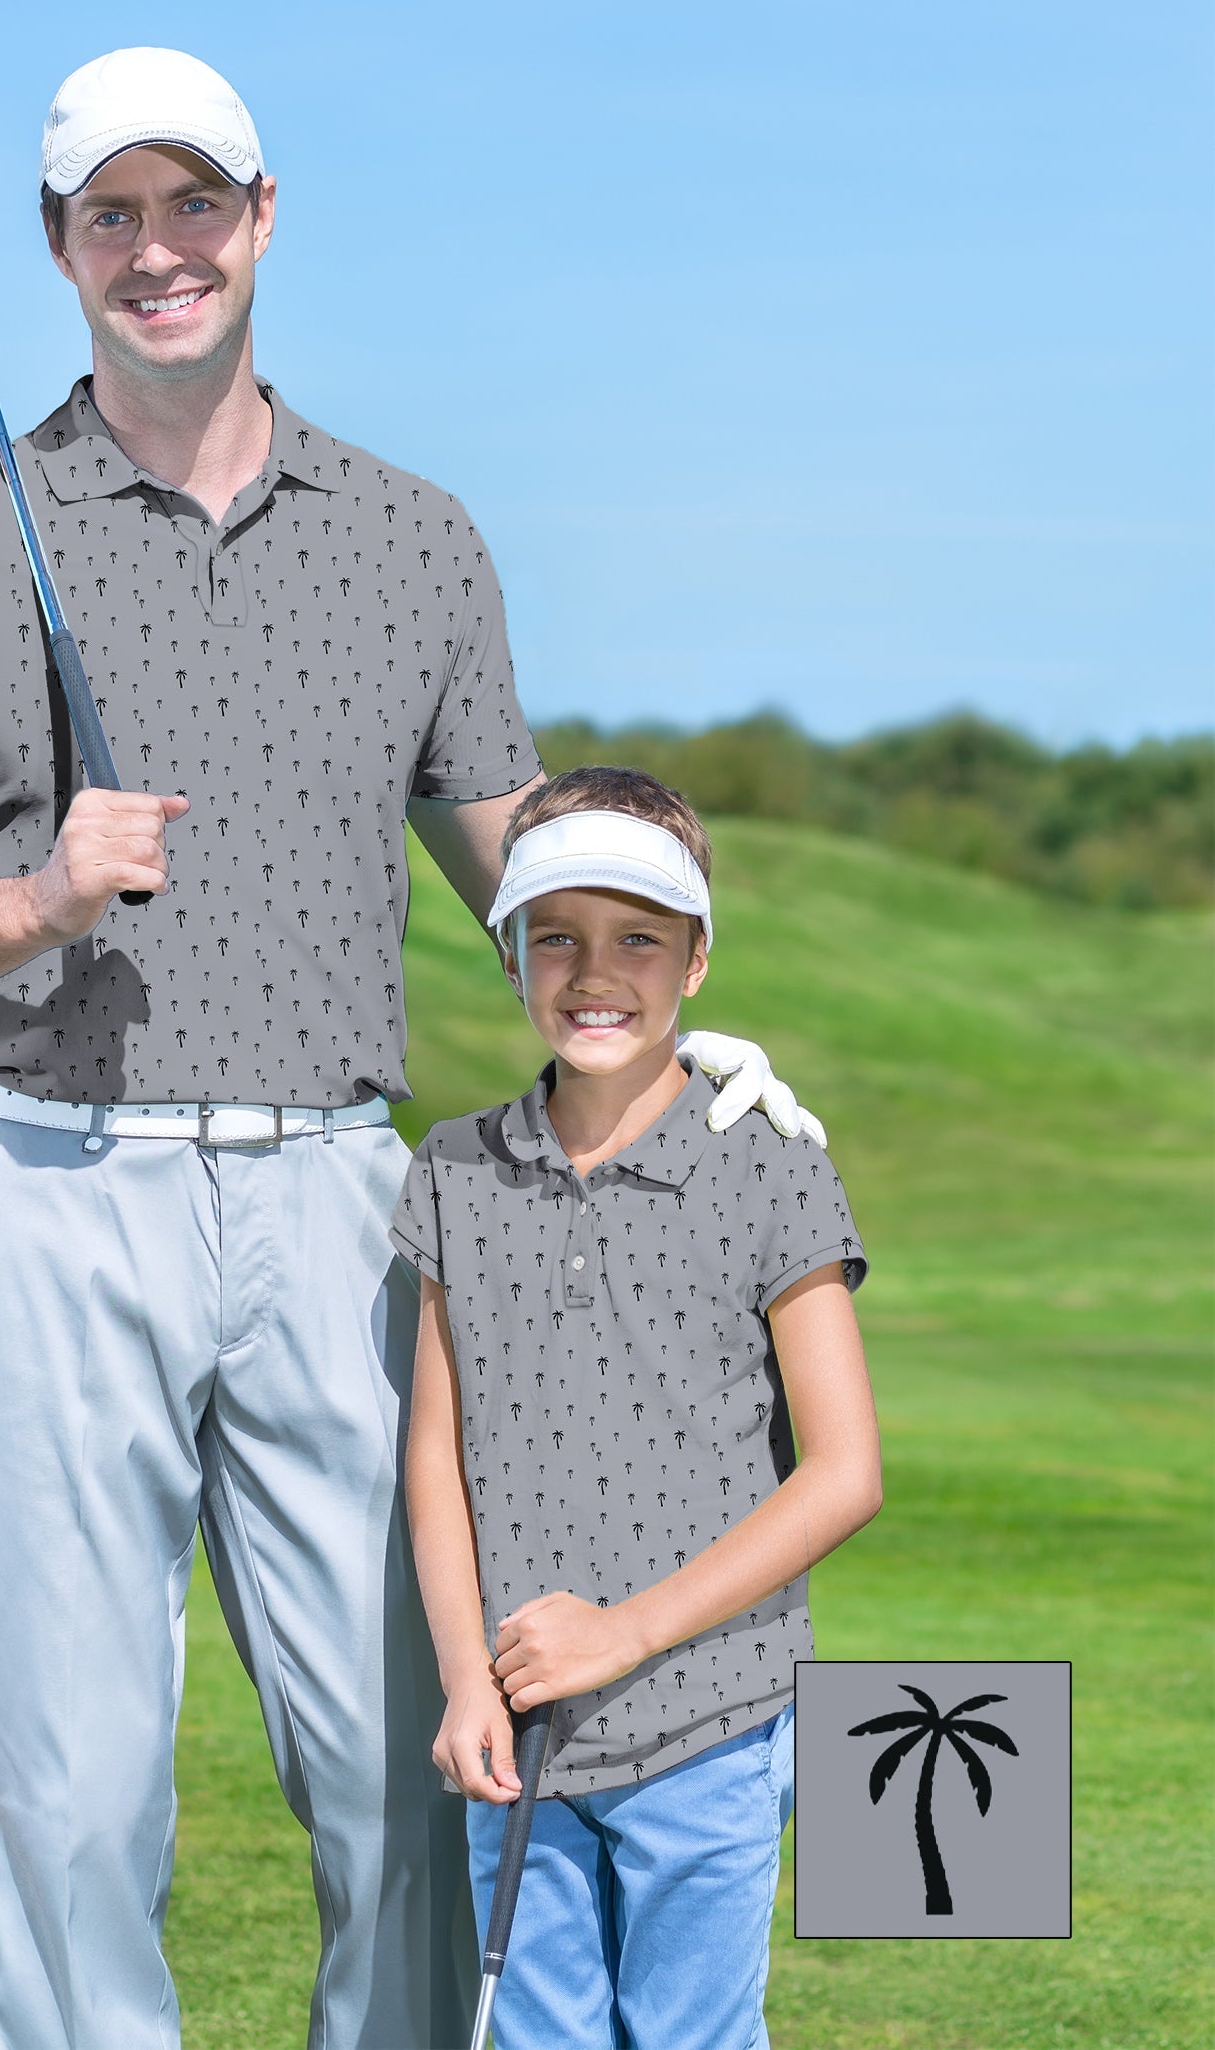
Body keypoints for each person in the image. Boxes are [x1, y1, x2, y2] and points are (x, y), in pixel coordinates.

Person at [0, 51, 811, 2049]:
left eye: (193, 204)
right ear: (57, 247)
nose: (158, 250)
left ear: (261, 215)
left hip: (343, 1206)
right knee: (79, 1797)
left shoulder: (416, 541)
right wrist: (22, 905)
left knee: (417, 1763)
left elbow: (526, 869)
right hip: (41, 1183)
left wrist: (685, 1009)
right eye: (110, 214)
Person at [395, 766, 883, 2050]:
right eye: (554, 934)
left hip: (712, 1719)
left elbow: (844, 1474)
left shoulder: (770, 1163)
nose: (593, 971)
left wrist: (624, 1634)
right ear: (508, 952)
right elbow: (434, 1458)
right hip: (517, 1731)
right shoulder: (454, 1169)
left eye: (637, 939)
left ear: (696, 962)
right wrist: (463, 1680)